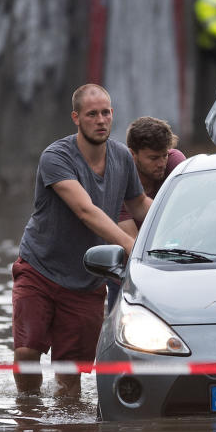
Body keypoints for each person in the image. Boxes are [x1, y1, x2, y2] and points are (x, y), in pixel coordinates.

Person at [12, 84, 151, 399]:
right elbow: (86, 211)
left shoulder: (121, 156)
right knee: (27, 353)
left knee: (70, 379)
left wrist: (181, 214)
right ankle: (28, 415)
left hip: (86, 283)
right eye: (92, 114)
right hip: (40, 269)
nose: (100, 120)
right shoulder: (55, 157)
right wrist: (132, 247)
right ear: (76, 118)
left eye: (105, 113)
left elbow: (140, 203)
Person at [117, 116, 186, 237]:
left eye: (164, 155)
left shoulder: (174, 162)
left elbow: (191, 212)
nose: (161, 164)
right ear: (132, 154)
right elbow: (131, 247)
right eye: (153, 158)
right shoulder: (119, 181)